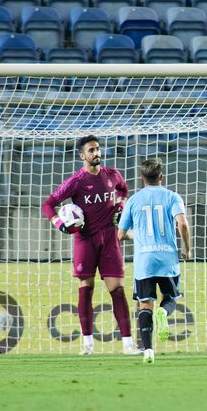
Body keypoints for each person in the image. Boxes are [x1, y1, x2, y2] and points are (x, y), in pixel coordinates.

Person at [41, 135, 139, 355]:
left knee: (118, 290)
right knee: (86, 289)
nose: (96, 153)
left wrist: (121, 205)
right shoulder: (76, 181)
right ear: (82, 155)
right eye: (91, 150)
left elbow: (123, 189)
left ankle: (127, 344)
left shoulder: (113, 175)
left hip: (110, 239)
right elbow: (48, 205)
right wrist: (59, 224)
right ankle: (87, 345)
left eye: (97, 149)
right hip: (85, 240)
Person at [117, 158, 191, 364]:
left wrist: (136, 235)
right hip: (168, 258)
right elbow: (182, 224)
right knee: (170, 299)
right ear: (161, 176)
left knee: (144, 305)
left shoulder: (133, 200)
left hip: (144, 261)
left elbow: (120, 234)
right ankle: (163, 312)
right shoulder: (172, 196)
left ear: (142, 178)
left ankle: (148, 350)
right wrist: (187, 249)